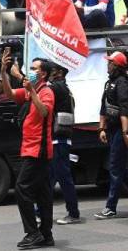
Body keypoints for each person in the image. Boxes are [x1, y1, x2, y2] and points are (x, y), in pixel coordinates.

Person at [0, 50, 55, 249]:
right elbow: (10, 94)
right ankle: (46, 234)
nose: (30, 72)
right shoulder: (32, 90)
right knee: (42, 193)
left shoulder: (46, 92)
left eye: (34, 69)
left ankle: (33, 233)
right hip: (29, 148)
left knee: (22, 189)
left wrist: (31, 90)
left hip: (38, 150)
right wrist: (4, 73)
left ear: (43, 74)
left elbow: (44, 111)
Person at [95, 51, 128, 219]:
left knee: (115, 169)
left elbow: (125, 108)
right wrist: (101, 129)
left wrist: (125, 133)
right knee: (120, 168)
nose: (107, 65)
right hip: (111, 130)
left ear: (117, 66)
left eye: (110, 63)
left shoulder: (122, 83)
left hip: (120, 130)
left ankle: (111, 207)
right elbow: (103, 107)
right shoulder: (108, 83)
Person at [48, 63, 80, 225]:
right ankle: (41, 211)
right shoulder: (64, 88)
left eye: (52, 71)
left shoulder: (57, 87)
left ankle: (73, 213)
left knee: (63, 177)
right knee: (51, 177)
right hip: (61, 138)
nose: (49, 74)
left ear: (59, 73)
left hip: (58, 139)